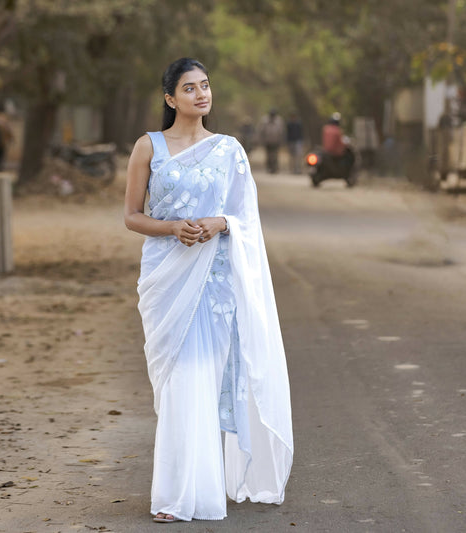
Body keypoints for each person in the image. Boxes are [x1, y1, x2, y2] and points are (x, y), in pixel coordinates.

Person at [124, 58, 293, 524]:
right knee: (180, 383)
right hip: (167, 279)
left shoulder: (229, 150)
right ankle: (177, 495)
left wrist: (220, 223)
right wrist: (172, 226)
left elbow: (245, 217)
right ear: (169, 98)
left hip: (216, 280)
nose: (201, 94)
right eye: (189, 87)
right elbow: (132, 216)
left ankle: (197, 491)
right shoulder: (148, 147)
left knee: (203, 378)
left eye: (205, 85)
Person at [321, 111, 354, 176]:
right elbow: (341, 141)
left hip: (325, 151)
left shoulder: (325, 129)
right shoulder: (338, 131)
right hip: (336, 153)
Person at [258, 108, 285, 173]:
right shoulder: (265, 120)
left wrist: (282, 140)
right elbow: (261, 131)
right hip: (267, 141)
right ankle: (269, 167)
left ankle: (275, 168)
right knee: (269, 155)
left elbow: (281, 131)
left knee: (275, 155)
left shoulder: (279, 120)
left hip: (276, 141)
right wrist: (261, 140)